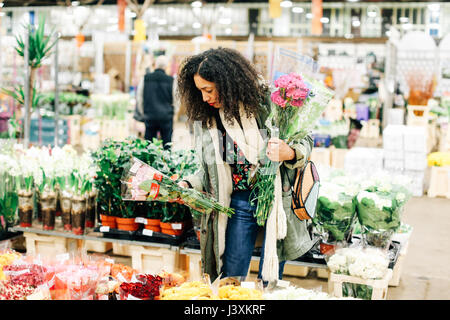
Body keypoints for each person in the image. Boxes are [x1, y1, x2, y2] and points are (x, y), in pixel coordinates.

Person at [175, 47, 316, 283]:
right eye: (199, 91)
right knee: (231, 274)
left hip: (276, 202)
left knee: (270, 279)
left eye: (208, 90)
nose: (205, 98)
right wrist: (187, 184)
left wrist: (289, 152)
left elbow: (305, 139)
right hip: (239, 201)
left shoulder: (269, 103)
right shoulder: (212, 120)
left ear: (227, 82)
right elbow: (210, 170)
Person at [136, 55, 174, 148]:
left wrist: (143, 112)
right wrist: (173, 113)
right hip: (166, 117)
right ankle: (167, 161)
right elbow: (176, 99)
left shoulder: (145, 79)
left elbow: (139, 97)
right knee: (167, 145)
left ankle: (149, 162)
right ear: (166, 66)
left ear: (155, 65)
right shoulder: (171, 81)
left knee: (149, 146)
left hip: (150, 116)